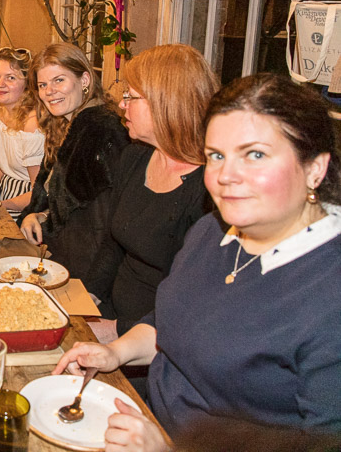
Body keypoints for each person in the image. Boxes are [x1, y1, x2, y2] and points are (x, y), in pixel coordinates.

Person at [54, 73, 341, 448]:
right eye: (216, 156)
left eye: (255, 154)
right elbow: (170, 319)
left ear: (315, 168)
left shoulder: (328, 294)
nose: (226, 176)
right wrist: (114, 352)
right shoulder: (213, 230)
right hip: (141, 415)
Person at [83, 45, 218, 342]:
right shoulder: (135, 157)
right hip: (111, 314)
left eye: (131, 96)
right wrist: (87, 298)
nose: (121, 104)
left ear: (166, 103)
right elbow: (113, 244)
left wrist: (116, 331)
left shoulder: (210, 188)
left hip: (158, 339)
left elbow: (194, 304)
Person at [19, 43, 130, 280]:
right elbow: (61, 203)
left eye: (59, 80)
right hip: (65, 256)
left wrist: (92, 287)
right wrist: (37, 215)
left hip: (85, 271)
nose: (49, 91)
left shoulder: (99, 130)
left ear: (85, 80)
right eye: (42, 85)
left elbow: (105, 223)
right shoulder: (66, 126)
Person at [0, 47, 45, 217]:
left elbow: (37, 191)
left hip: (28, 205)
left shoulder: (32, 125)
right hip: (3, 196)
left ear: (27, 84)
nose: (1, 84)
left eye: (10, 78)